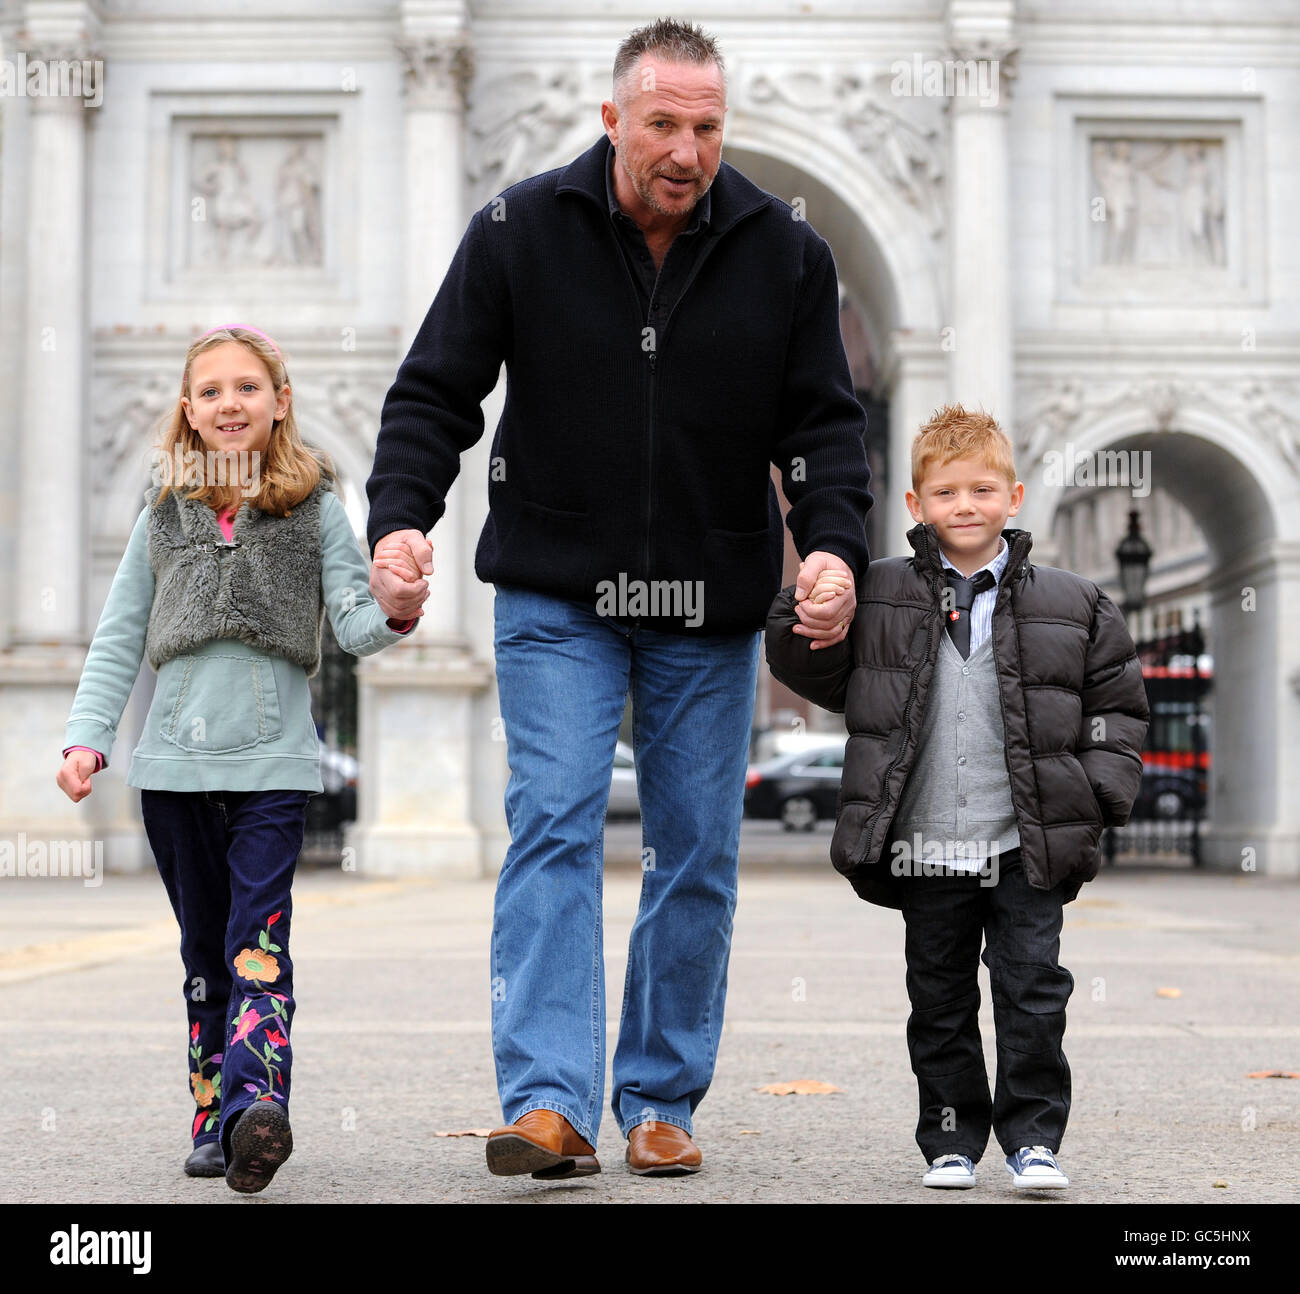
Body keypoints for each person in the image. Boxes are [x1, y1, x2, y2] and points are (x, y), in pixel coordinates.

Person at [366, 18, 872, 1179]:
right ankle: (547, 1102)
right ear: (612, 120)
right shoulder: (515, 230)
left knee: (694, 849)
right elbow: (433, 391)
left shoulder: (785, 251)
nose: (686, 149)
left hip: (711, 602)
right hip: (556, 593)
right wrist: (400, 519)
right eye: (662, 124)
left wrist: (831, 546)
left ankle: (657, 1098)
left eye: (706, 126)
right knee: (552, 822)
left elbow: (823, 429)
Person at [56, 325, 420, 1193]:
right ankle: (212, 1117)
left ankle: (259, 1108)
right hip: (172, 776)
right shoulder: (162, 515)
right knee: (203, 953)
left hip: (274, 770)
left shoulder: (319, 509)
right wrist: (86, 735)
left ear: (280, 402)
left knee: (257, 942)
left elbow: (355, 626)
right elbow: (117, 640)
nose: (230, 403)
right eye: (211, 390)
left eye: (248, 388)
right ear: (189, 410)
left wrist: (397, 606)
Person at [765, 403, 1150, 1191]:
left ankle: (1034, 1140)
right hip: (924, 843)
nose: (964, 506)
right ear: (915, 506)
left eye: (981, 490)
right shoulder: (876, 594)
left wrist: (1099, 795)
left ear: (1013, 496)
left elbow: (1117, 705)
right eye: (945, 493)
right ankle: (950, 1141)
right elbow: (811, 667)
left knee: (1032, 991)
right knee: (937, 999)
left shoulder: (1076, 603)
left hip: (1025, 842)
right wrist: (809, 608)